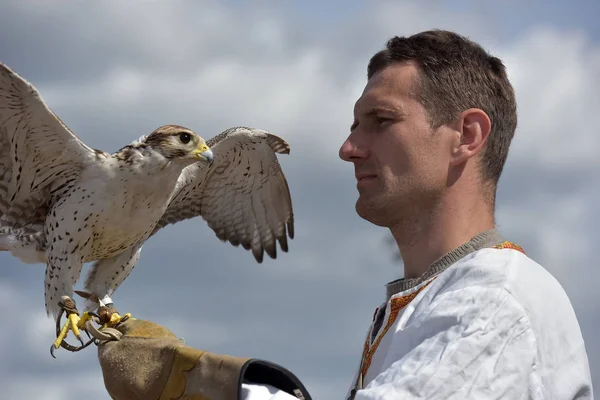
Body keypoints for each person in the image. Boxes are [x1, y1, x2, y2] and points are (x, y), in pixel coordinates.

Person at [94, 29, 594, 399]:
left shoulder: (494, 303)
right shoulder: (431, 302)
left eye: (381, 121)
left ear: (467, 136)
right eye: (355, 124)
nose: (348, 148)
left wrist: (200, 384)